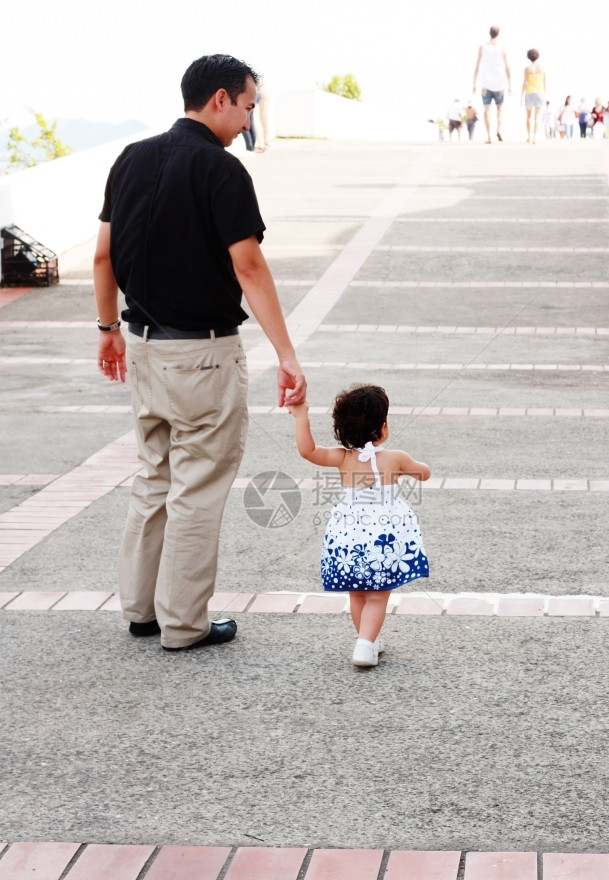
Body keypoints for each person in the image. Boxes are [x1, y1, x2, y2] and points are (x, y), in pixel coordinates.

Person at [93, 54, 307, 652]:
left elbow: (104, 256)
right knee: (197, 487)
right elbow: (248, 264)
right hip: (203, 358)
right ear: (220, 99)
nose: (247, 121)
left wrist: (108, 326)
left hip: (142, 347)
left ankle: (141, 611)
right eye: (247, 107)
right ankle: (184, 624)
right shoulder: (222, 171)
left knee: (153, 475)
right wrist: (287, 354)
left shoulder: (130, 158)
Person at [288, 385, 430, 668]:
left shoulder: (342, 457)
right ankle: (365, 645)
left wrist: (301, 415)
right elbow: (424, 474)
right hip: (383, 539)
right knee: (378, 595)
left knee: (358, 592)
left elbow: (308, 451)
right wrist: (411, 467)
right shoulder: (395, 458)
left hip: (349, 533)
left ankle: (369, 640)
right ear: (383, 428)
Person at [472, 25, 511, 143]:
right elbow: (507, 67)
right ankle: (499, 129)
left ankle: (489, 136)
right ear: (498, 34)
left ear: (489, 33)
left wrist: (474, 83)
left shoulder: (482, 48)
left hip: (485, 84)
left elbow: (477, 66)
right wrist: (510, 84)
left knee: (487, 109)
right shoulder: (502, 48)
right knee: (500, 108)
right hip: (500, 83)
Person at [521, 48, 546, 143]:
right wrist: (545, 93)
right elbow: (545, 82)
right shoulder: (542, 68)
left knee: (528, 117)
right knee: (537, 116)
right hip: (540, 92)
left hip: (529, 93)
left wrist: (521, 95)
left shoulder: (527, 69)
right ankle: (535, 137)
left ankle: (529, 136)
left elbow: (525, 82)